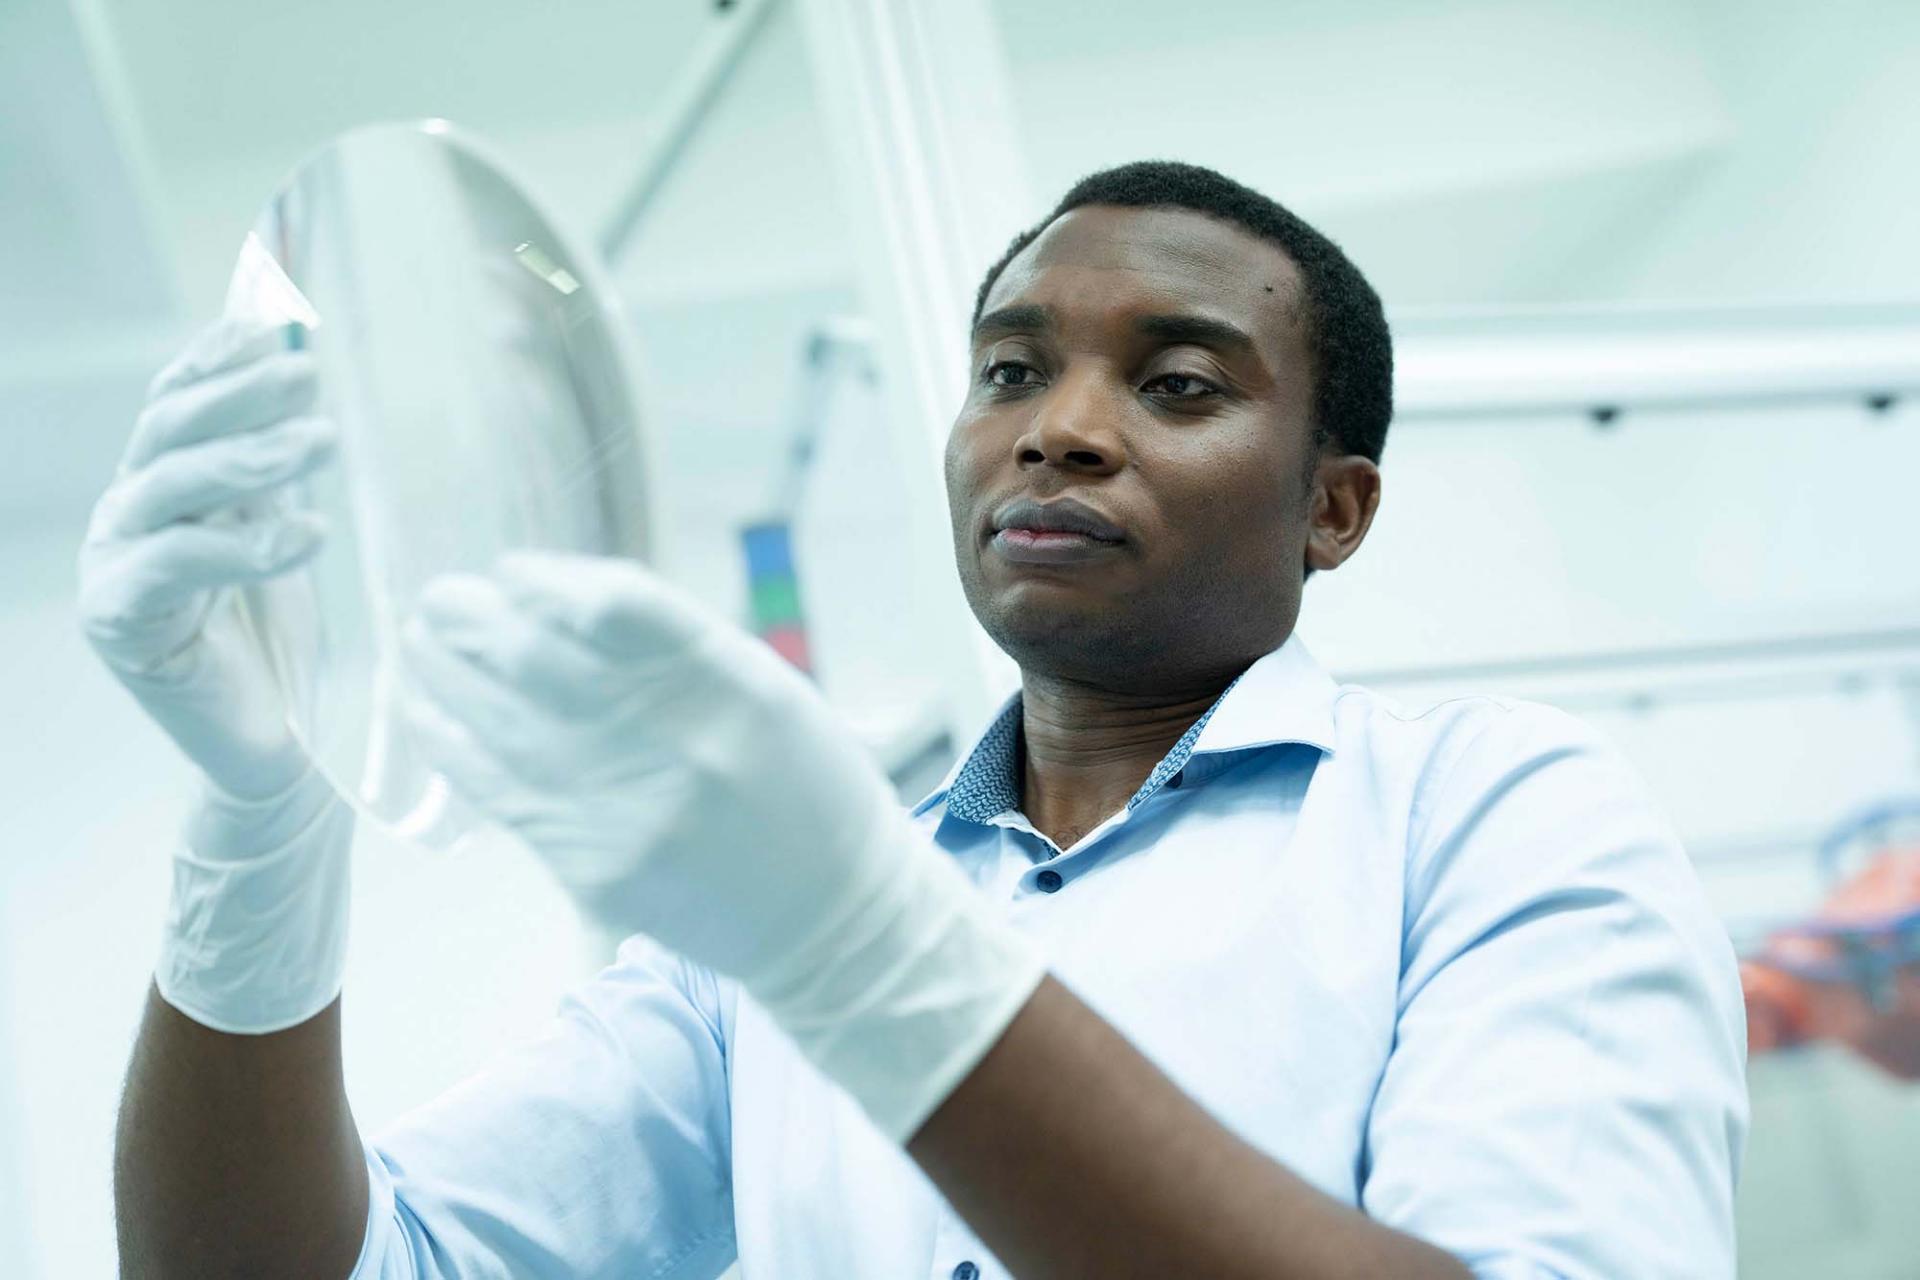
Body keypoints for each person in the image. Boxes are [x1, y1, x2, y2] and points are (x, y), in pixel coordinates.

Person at [83, 161, 1748, 1279]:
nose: (1060, 433)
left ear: (1336, 508)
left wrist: (862, 954)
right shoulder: (759, 930)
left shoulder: (1494, 814)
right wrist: (265, 808)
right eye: (1011, 372)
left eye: (1178, 385)